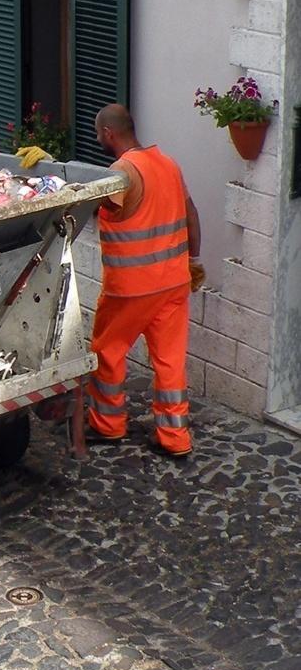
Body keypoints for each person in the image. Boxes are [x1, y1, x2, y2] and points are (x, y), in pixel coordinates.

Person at [86, 104, 204, 458]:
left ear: (109, 133)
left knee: (108, 351)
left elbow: (93, 206)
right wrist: (194, 260)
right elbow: (191, 212)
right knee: (169, 361)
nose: (97, 139)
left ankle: (108, 426)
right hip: (174, 282)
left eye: (97, 133)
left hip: (131, 288)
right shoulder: (167, 163)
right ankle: (175, 439)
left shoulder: (122, 172)